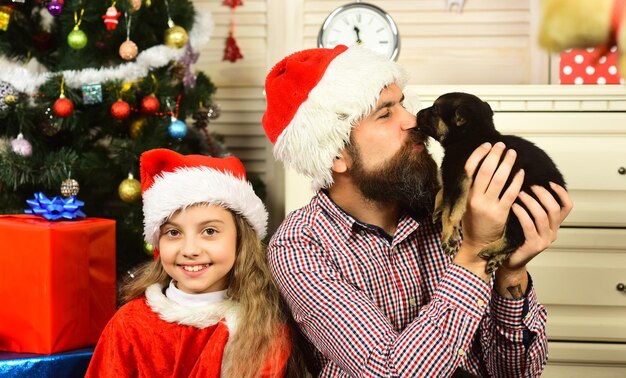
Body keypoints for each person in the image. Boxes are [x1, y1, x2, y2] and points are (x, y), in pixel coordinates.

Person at [261, 45, 573, 377]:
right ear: (337, 155)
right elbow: (391, 371)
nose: (411, 119)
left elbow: (516, 373)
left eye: (403, 104)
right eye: (386, 113)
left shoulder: (458, 210)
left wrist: (510, 272)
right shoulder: (299, 247)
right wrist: (475, 255)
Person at [86, 148, 304, 378]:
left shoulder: (262, 326)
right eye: (173, 232)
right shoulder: (130, 323)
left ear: (240, 239)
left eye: (209, 231)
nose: (190, 250)